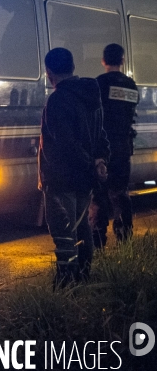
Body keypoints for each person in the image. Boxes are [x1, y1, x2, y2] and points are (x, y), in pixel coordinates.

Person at [38, 47, 110, 287]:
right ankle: (84, 279)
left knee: (64, 235)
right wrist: (99, 161)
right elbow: (100, 135)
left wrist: (92, 162)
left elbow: (66, 144)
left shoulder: (58, 100)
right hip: (84, 180)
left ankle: (66, 285)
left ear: (49, 72)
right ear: (72, 67)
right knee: (83, 232)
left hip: (61, 180)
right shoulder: (91, 94)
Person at [88, 44, 138, 248]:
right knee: (120, 193)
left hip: (103, 150)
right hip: (123, 148)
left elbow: (93, 117)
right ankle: (124, 237)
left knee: (99, 196)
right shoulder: (131, 86)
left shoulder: (98, 84)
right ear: (123, 61)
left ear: (103, 60)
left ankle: (98, 241)